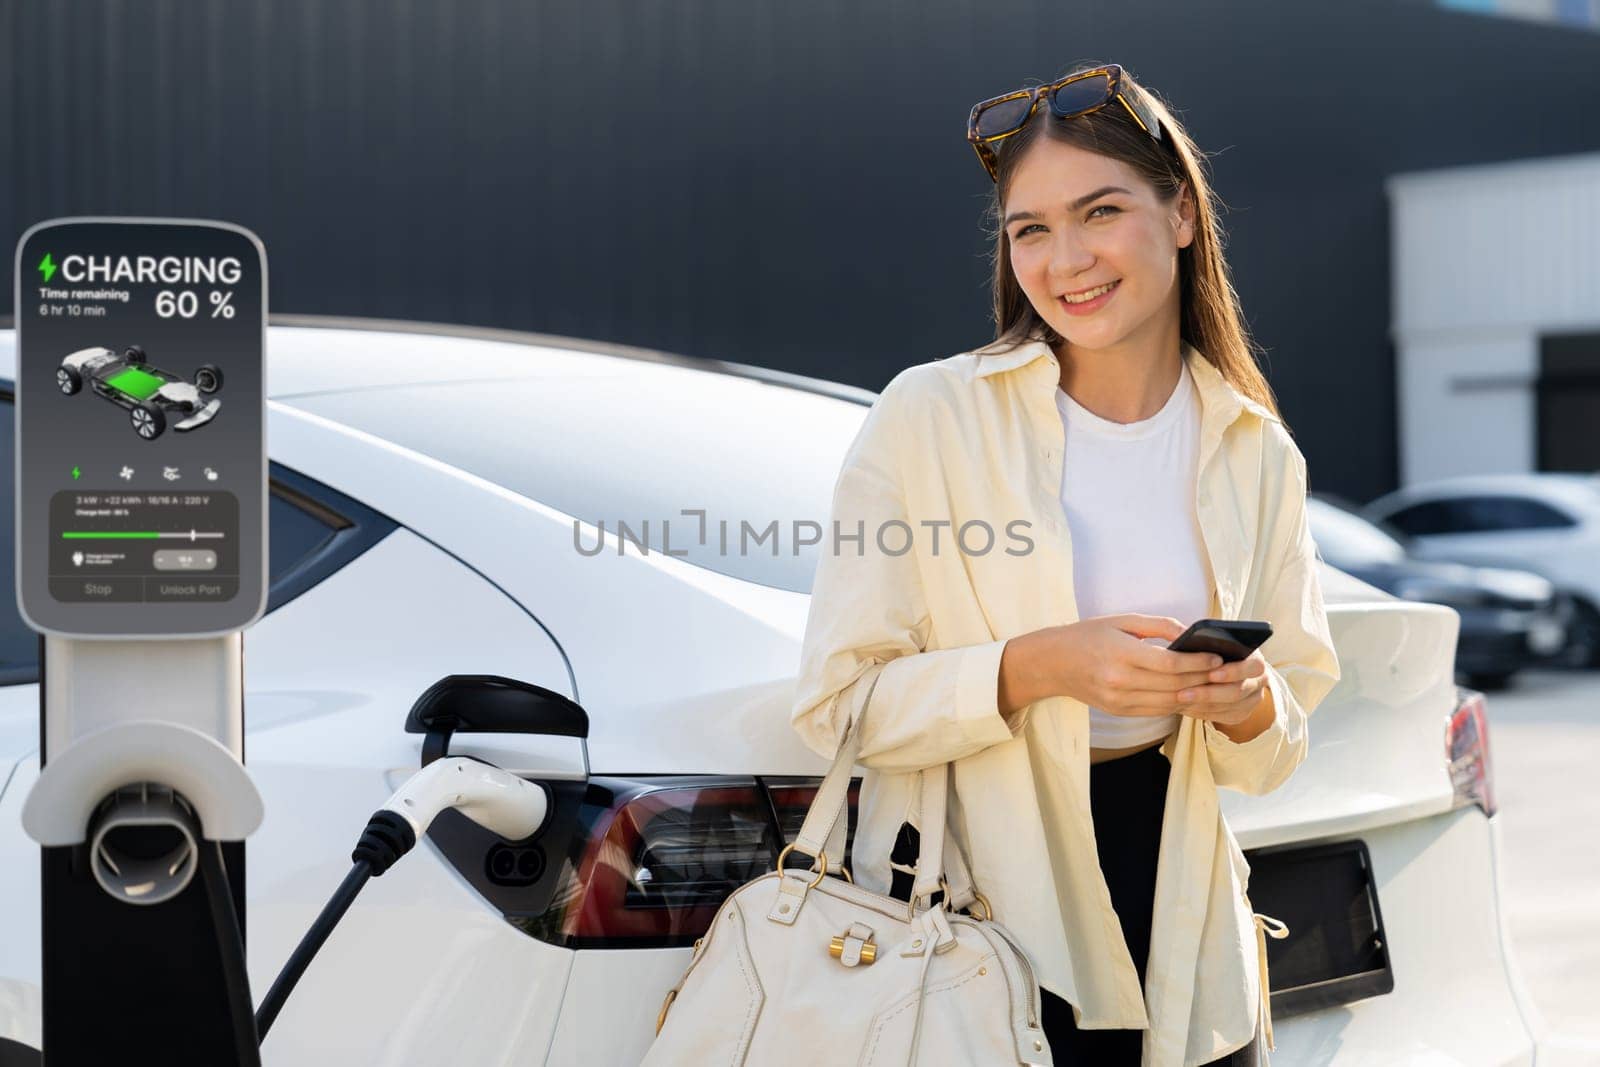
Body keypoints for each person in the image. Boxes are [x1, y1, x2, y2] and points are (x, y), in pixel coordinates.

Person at [789, 61, 1341, 1067]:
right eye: (1029, 229)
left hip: (1185, 919)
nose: (1066, 259)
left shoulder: (1257, 449)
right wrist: (1038, 664)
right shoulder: (928, 417)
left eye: (1099, 211)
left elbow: (1278, 743)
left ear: (1179, 214)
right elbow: (840, 704)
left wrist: (1246, 699)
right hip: (973, 920)